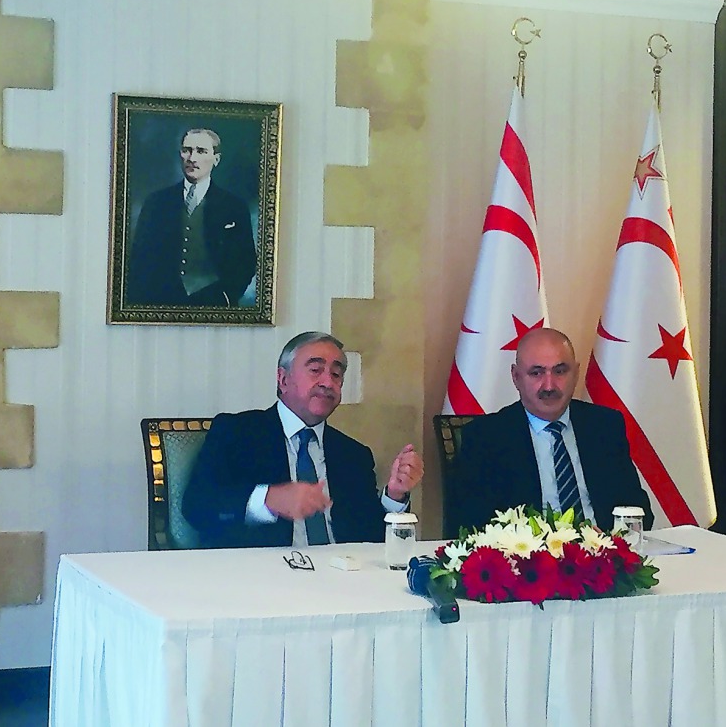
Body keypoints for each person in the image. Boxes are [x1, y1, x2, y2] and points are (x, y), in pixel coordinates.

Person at [182, 331, 425, 548]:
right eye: (315, 370)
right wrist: (268, 499)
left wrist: (394, 495)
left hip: (341, 581)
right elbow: (197, 506)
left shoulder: (352, 453)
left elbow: (369, 538)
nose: (328, 382)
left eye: (336, 374)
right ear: (283, 379)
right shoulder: (237, 432)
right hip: (262, 580)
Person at [446, 327, 653, 534]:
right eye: (536, 373)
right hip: (527, 560)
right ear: (516, 377)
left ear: (576, 373)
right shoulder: (486, 437)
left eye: (560, 371)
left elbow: (637, 510)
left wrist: (609, 540)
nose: (549, 385)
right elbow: (467, 524)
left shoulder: (604, 426)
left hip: (602, 556)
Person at [126, 128, 257, 306]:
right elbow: (139, 258)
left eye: (201, 151)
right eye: (187, 150)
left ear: (216, 159)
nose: (192, 158)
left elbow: (246, 262)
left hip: (214, 302)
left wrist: (226, 296)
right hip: (161, 301)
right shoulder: (156, 202)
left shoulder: (234, 206)